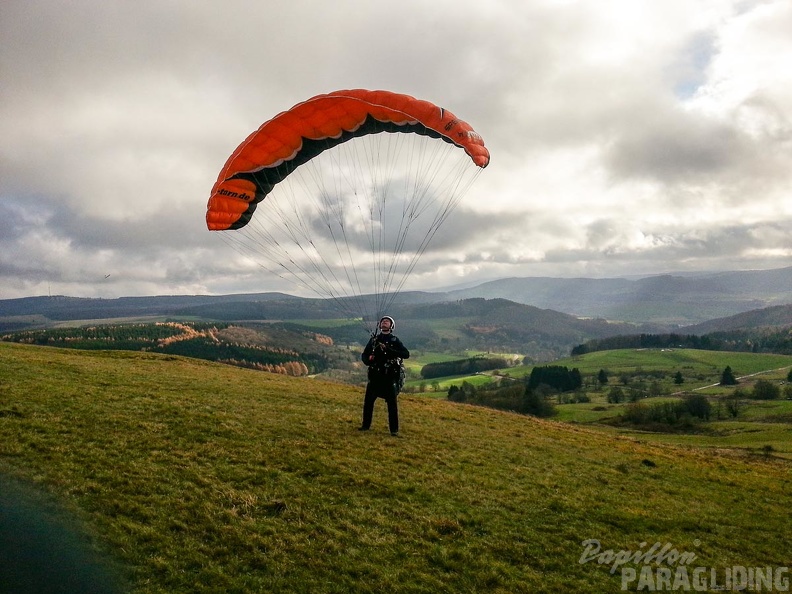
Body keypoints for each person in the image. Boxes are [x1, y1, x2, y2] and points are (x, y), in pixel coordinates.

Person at [359, 315, 410, 436]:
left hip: (389, 376)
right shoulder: (374, 340)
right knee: (368, 402)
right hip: (376, 375)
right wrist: (368, 361)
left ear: (391, 326)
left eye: (387, 321)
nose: (384, 322)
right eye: (383, 321)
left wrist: (389, 350)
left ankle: (394, 430)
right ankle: (365, 426)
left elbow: (406, 354)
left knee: (392, 404)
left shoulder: (394, 340)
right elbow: (365, 354)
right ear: (379, 325)